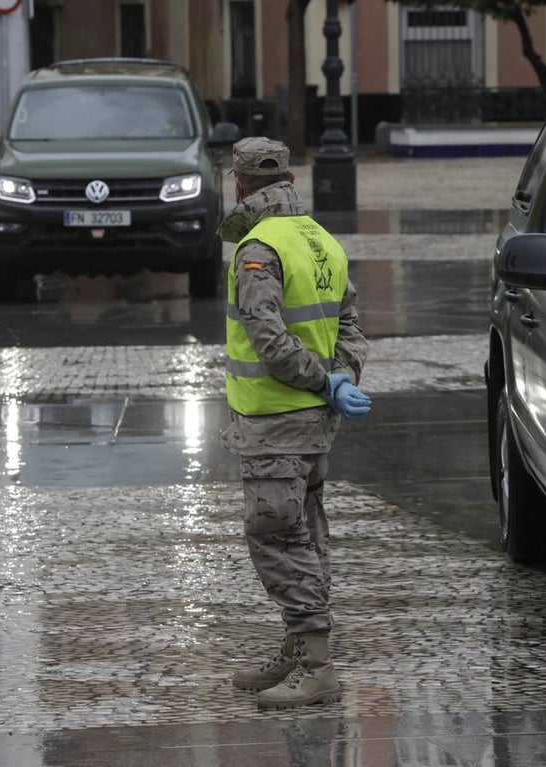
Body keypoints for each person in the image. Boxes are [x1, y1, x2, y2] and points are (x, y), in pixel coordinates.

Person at [220, 137, 370, 709]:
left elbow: (268, 341)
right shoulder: (320, 240)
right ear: (289, 177)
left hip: (274, 419)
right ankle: (298, 649)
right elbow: (351, 323)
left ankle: (316, 662)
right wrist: (342, 377)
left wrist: (321, 379)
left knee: (276, 532)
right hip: (313, 422)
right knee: (304, 527)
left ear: (239, 185)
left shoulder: (258, 247)